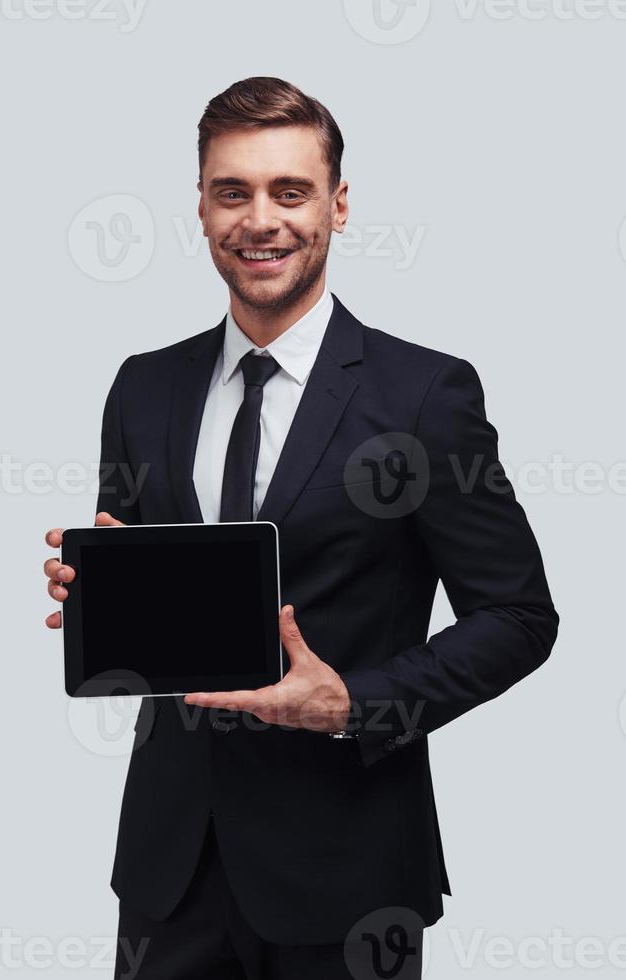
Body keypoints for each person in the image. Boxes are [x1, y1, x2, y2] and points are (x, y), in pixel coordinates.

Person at [43, 76, 559, 980]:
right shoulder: (142, 386)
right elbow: (148, 588)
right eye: (232, 191)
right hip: (170, 873)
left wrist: (354, 704)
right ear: (200, 209)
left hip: (350, 876)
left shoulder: (425, 396)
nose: (260, 220)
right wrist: (94, 599)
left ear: (339, 205)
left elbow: (518, 616)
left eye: (290, 191)